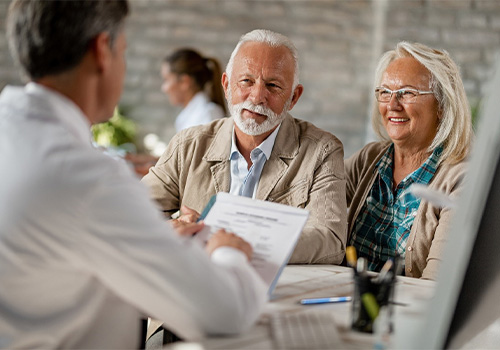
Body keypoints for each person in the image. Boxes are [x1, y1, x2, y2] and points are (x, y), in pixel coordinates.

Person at [0, 1, 267, 349]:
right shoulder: (88, 178)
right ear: (101, 51)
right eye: (123, 51)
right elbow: (225, 313)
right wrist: (228, 252)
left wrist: (156, 239)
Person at [142, 29, 347, 265]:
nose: (257, 96)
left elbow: (330, 240)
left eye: (273, 85)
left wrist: (234, 242)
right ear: (227, 84)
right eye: (246, 81)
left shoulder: (322, 151)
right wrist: (171, 228)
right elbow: (133, 212)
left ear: (293, 97)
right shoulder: (187, 145)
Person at [345, 41, 473, 280]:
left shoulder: (461, 179)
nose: (392, 105)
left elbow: (435, 286)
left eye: (407, 93)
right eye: (385, 92)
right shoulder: (368, 159)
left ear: (442, 105)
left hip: (408, 312)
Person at [161, 48, 227, 132]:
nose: (164, 89)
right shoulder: (189, 115)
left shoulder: (208, 114)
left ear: (184, 82)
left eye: (166, 80)